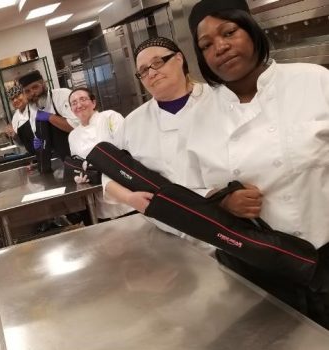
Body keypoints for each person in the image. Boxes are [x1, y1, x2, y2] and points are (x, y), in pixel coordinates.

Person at [186, 0, 329, 327]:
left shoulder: (314, 82)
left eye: (229, 32)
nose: (220, 47)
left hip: (325, 258)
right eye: (206, 45)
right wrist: (223, 201)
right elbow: (191, 190)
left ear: (250, 28)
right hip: (253, 268)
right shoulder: (200, 117)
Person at [101, 37, 212, 218]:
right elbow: (109, 172)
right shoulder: (133, 122)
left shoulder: (219, 99)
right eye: (143, 71)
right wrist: (129, 198)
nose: (151, 73)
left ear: (178, 59)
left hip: (229, 224)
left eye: (157, 63)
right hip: (167, 225)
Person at [67, 87, 132, 221]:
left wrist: (91, 166)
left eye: (83, 99)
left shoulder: (109, 117)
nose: (78, 105)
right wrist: (80, 176)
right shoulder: (73, 135)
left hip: (126, 191)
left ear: (93, 102)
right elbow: (78, 163)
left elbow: (125, 150)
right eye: (74, 103)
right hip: (99, 199)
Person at [18, 70, 79, 160]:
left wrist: (49, 117)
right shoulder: (31, 108)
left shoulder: (63, 95)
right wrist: (38, 144)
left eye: (35, 87)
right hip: (59, 157)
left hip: (79, 152)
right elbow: (40, 137)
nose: (32, 93)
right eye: (27, 91)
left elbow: (77, 126)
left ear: (43, 84)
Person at [3, 84, 36, 155]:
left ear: (25, 94)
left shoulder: (36, 108)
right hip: (33, 155)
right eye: (12, 99)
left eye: (17, 96)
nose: (15, 100)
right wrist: (14, 136)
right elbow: (21, 144)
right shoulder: (15, 118)